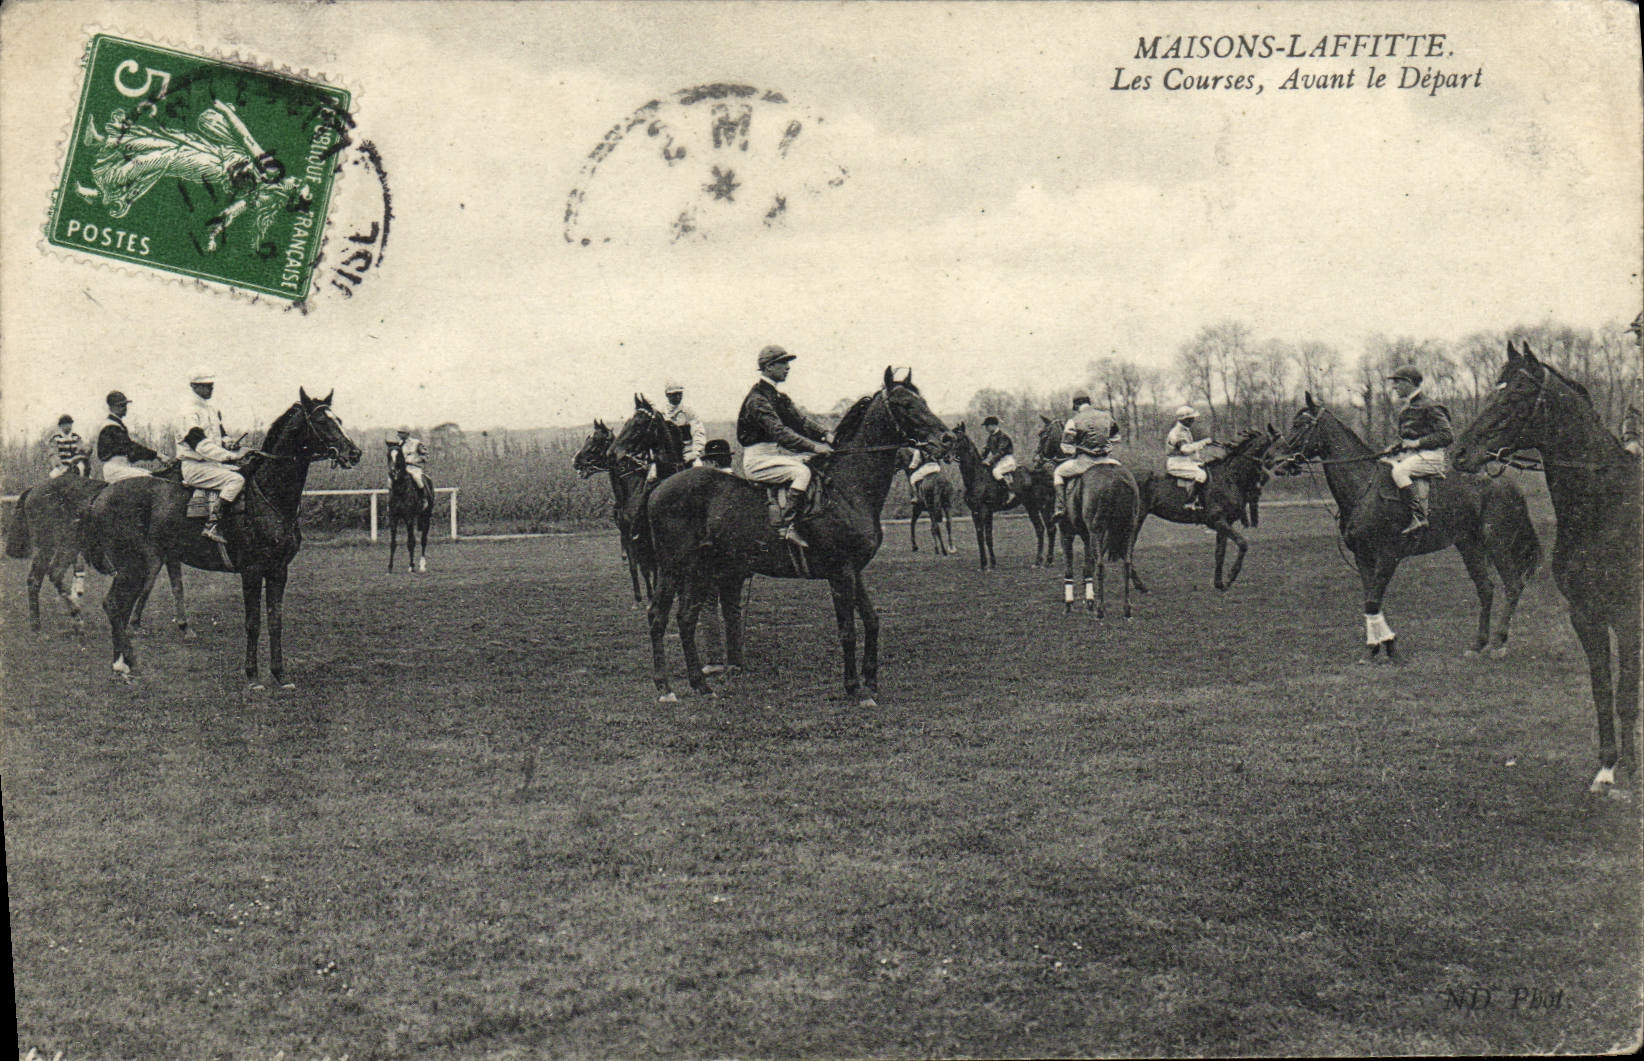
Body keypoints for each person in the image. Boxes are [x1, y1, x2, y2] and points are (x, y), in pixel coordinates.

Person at [737, 344, 834, 546]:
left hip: (772, 456)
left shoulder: (778, 397)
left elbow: (802, 422)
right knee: (802, 473)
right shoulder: (758, 399)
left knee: (813, 465)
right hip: (758, 460)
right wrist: (815, 446)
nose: (788, 367)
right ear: (768, 367)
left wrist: (826, 435)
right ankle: (788, 526)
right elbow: (780, 433)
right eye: (783, 363)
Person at [1381, 365, 1453, 535]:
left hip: (1431, 456)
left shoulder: (1430, 406)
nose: (1394, 387)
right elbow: (1407, 440)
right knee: (1382, 466)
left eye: (1397, 382)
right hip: (1413, 455)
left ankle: (1419, 516)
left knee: (1399, 472)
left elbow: (1447, 435)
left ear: (1409, 383)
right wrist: (1395, 448)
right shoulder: (1406, 408)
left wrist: (1418, 443)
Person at [176, 369, 244, 544]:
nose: (210, 388)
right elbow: (200, 444)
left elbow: (220, 435)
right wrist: (229, 456)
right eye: (205, 386)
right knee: (235, 481)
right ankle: (212, 525)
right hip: (195, 466)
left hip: (212, 465)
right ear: (193, 386)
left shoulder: (211, 409)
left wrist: (228, 442)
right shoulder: (187, 412)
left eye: (211, 385)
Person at [1052, 394, 1122, 521]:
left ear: (1076, 405)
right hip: (1107, 459)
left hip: (1085, 462)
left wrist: (1075, 451)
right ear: (1089, 403)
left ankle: (1061, 508)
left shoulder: (1074, 421)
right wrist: (1105, 444)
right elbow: (1116, 438)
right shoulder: (1107, 416)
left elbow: (1066, 446)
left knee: (1058, 473)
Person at [97, 390, 161, 482]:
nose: (124, 408)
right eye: (121, 405)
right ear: (112, 407)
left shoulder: (116, 424)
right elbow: (130, 447)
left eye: (125, 405)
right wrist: (156, 455)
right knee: (147, 478)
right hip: (115, 468)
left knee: (149, 474)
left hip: (121, 467)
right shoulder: (110, 426)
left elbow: (130, 452)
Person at [1165, 405, 1216, 512]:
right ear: (1184, 419)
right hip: (1176, 463)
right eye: (1190, 418)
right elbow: (1186, 450)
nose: (1193, 420)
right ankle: (1190, 502)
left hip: (1185, 462)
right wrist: (1203, 442)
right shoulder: (1177, 432)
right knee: (1201, 475)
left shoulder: (1185, 431)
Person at [662, 381, 706, 467]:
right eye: (674, 394)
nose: (678, 397)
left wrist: (695, 453)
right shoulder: (662, 414)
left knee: (698, 469)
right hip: (668, 455)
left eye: (680, 394)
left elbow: (698, 433)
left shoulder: (689, 412)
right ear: (667, 395)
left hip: (687, 453)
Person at [980, 415, 1019, 505]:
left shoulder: (1003, 437)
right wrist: (980, 460)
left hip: (1007, 461)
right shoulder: (990, 438)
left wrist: (989, 461)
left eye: (987, 426)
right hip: (999, 461)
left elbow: (1000, 452)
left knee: (996, 472)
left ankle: (1010, 493)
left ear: (994, 425)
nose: (986, 428)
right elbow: (986, 450)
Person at [391, 426, 433, 506]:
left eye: (402, 433)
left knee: (417, 478)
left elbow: (425, 455)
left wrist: (417, 460)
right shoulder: (397, 444)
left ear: (407, 434)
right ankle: (391, 503)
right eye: (399, 433)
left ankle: (423, 498)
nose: (399, 435)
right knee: (391, 481)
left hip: (413, 468)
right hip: (401, 468)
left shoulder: (416, 443)